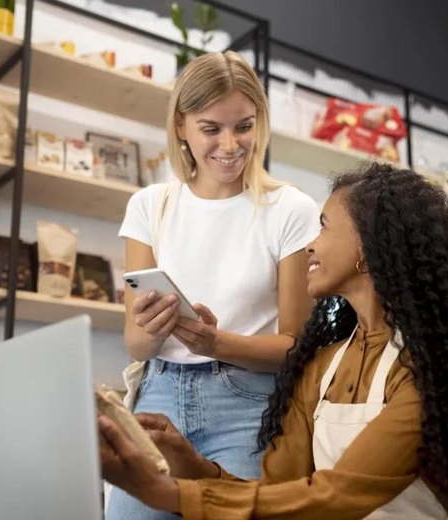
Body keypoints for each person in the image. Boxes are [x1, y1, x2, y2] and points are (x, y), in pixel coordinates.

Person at [100, 163, 448, 519]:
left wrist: (165, 491)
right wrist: (187, 461)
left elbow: (337, 497)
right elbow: (279, 497)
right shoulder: (323, 365)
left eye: (323, 226)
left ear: (367, 247)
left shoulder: (427, 370)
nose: (309, 246)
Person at [108, 50, 320, 519]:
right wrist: (155, 328)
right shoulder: (150, 206)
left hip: (248, 405)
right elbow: (136, 346)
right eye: (211, 128)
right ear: (181, 125)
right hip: (158, 397)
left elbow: (296, 348)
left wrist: (215, 342)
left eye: (243, 126)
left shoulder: (290, 209)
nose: (230, 144)